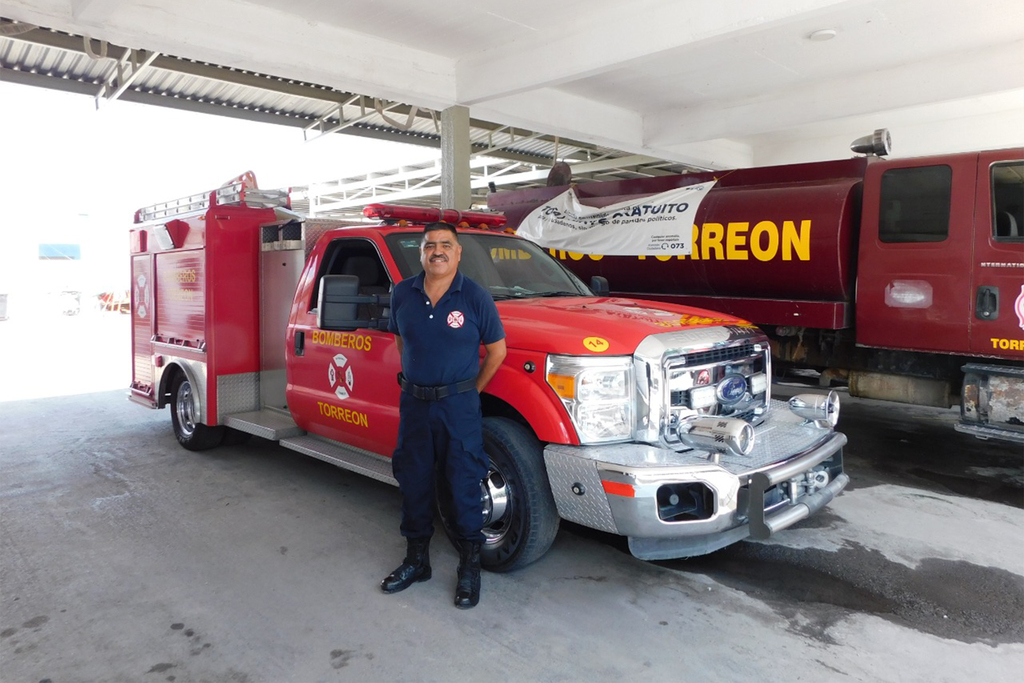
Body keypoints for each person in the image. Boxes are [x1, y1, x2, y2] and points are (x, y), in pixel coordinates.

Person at [382, 221, 507, 609]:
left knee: (462, 483)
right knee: (414, 480)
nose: (437, 251)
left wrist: (469, 391)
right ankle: (416, 561)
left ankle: (469, 568)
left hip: (458, 407)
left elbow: (497, 352)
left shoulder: (474, 296)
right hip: (415, 405)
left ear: (458, 252)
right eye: (430, 245)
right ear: (421, 252)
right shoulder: (403, 293)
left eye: (445, 245)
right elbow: (402, 342)